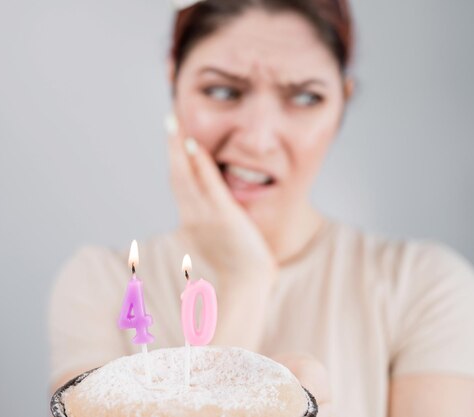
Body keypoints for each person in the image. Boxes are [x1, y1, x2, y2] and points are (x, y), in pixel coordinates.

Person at [48, 0, 474, 415]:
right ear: (173, 81)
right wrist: (244, 279)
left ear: (342, 102)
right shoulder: (100, 284)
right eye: (221, 91)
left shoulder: (427, 290)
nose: (257, 138)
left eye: (306, 97)